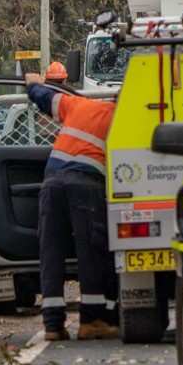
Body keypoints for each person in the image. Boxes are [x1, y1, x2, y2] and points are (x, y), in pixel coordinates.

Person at [25, 62, 118, 340]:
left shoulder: (78, 105)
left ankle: (53, 325)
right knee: (90, 250)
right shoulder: (122, 120)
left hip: (52, 182)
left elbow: (43, 97)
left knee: (50, 251)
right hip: (86, 184)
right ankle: (91, 321)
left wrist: (31, 83)